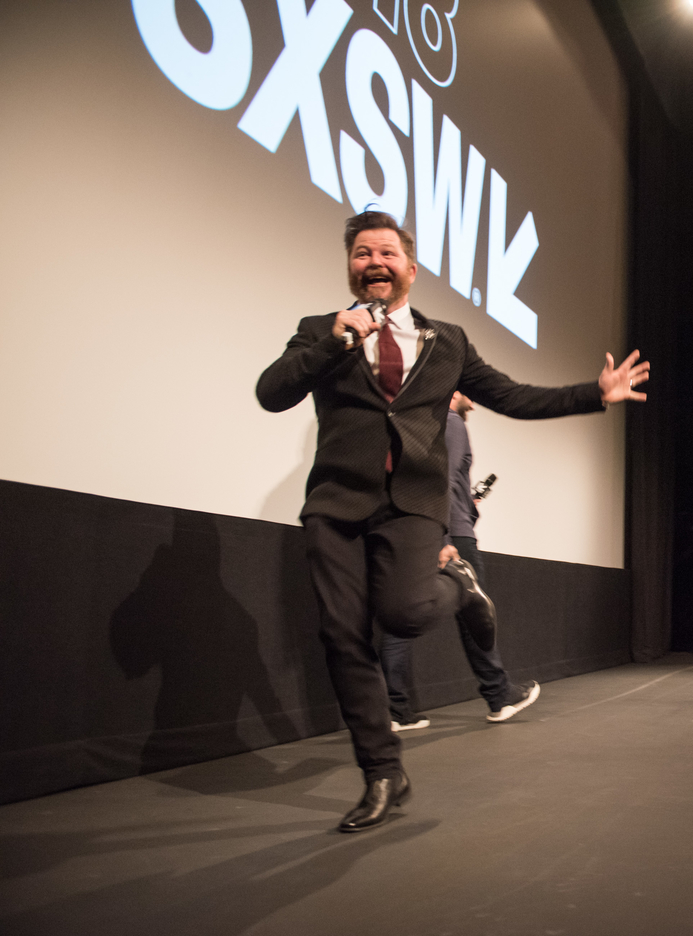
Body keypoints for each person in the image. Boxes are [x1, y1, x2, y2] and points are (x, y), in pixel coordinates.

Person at [256, 211, 649, 833]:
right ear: (351, 268)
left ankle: (461, 588)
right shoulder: (319, 330)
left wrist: (593, 393)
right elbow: (271, 393)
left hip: (412, 503)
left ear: (410, 269)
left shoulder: (448, 341)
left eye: (386, 252)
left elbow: (513, 396)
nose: (374, 262)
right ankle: (383, 773)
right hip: (336, 504)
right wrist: (334, 341)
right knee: (343, 636)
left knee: (405, 614)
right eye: (362, 253)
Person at [380, 392, 541, 731]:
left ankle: (395, 710)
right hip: (452, 535)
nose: (475, 399)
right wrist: (446, 537)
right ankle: (499, 695)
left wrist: (466, 506)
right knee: (475, 614)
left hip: (421, 530)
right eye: (469, 389)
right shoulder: (451, 422)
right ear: (454, 391)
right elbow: (444, 481)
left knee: (401, 617)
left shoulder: (421, 425)